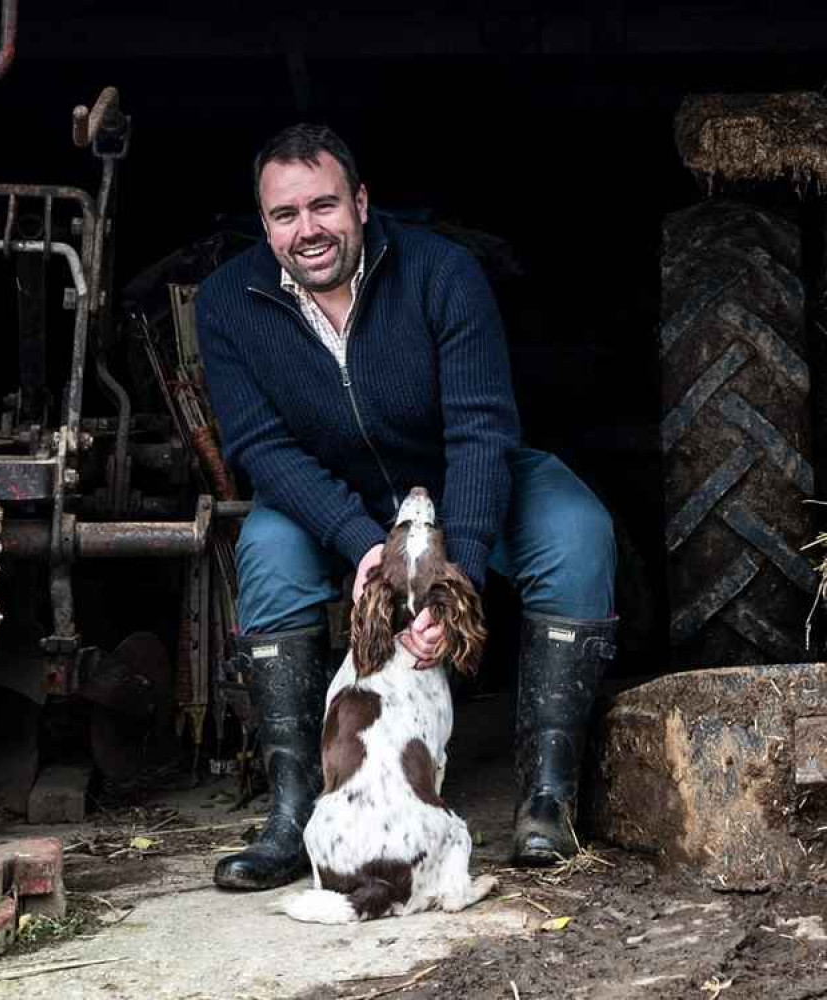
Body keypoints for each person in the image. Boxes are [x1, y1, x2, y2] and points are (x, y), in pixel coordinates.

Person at [196, 123, 617, 891]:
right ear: (264, 223)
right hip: (334, 497)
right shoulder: (228, 302)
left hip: (463, 478)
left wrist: (455, 576)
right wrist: (362, 542)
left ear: (360, 201)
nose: (308, 230)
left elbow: (482, 427)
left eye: (324, 206)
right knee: (267, 552)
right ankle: (296, 812)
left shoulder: (441, 273)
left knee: (577, 533)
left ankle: (549, 798)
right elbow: (259, 445)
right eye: (285, 215)